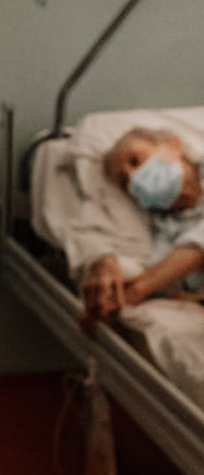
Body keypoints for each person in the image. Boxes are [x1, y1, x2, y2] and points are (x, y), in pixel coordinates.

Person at [80, 126, 204, 328]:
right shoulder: (164, 232)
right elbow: (156, 272)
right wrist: (108, 264)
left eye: (135, 161)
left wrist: (139, 289)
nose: (133, 176)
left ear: (174, 145)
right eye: (125, 181)